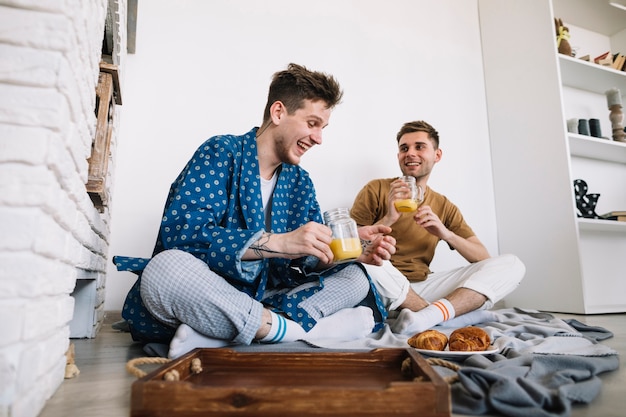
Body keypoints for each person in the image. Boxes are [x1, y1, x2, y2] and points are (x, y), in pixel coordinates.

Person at [113, 63, 396, 359]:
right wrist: (279, 242)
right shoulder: (221, 152)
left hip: (267, 300)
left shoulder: (300, 181)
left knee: (356, 277)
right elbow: (183, 235)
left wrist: (345, 251)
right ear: (278, 112)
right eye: (312, 123)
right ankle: (299, 333)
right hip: (210, 292)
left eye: (323, 128)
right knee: (164, 269)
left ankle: (237, 331)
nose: (319, 138)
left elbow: (308, 261)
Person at [350, 120, 525, 335]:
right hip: (384, 282)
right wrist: (388, 217)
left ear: (437, 155)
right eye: (404, 148)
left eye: (419, 147)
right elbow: (350, 249)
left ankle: (428, 316)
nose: (410, 153)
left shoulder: (443, 205)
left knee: (512, 265)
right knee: (367, 267)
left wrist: (445, 233)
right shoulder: (376, 189)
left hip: (424, 285)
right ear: (398, 156)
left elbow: (482, 257)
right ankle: (447, 316)